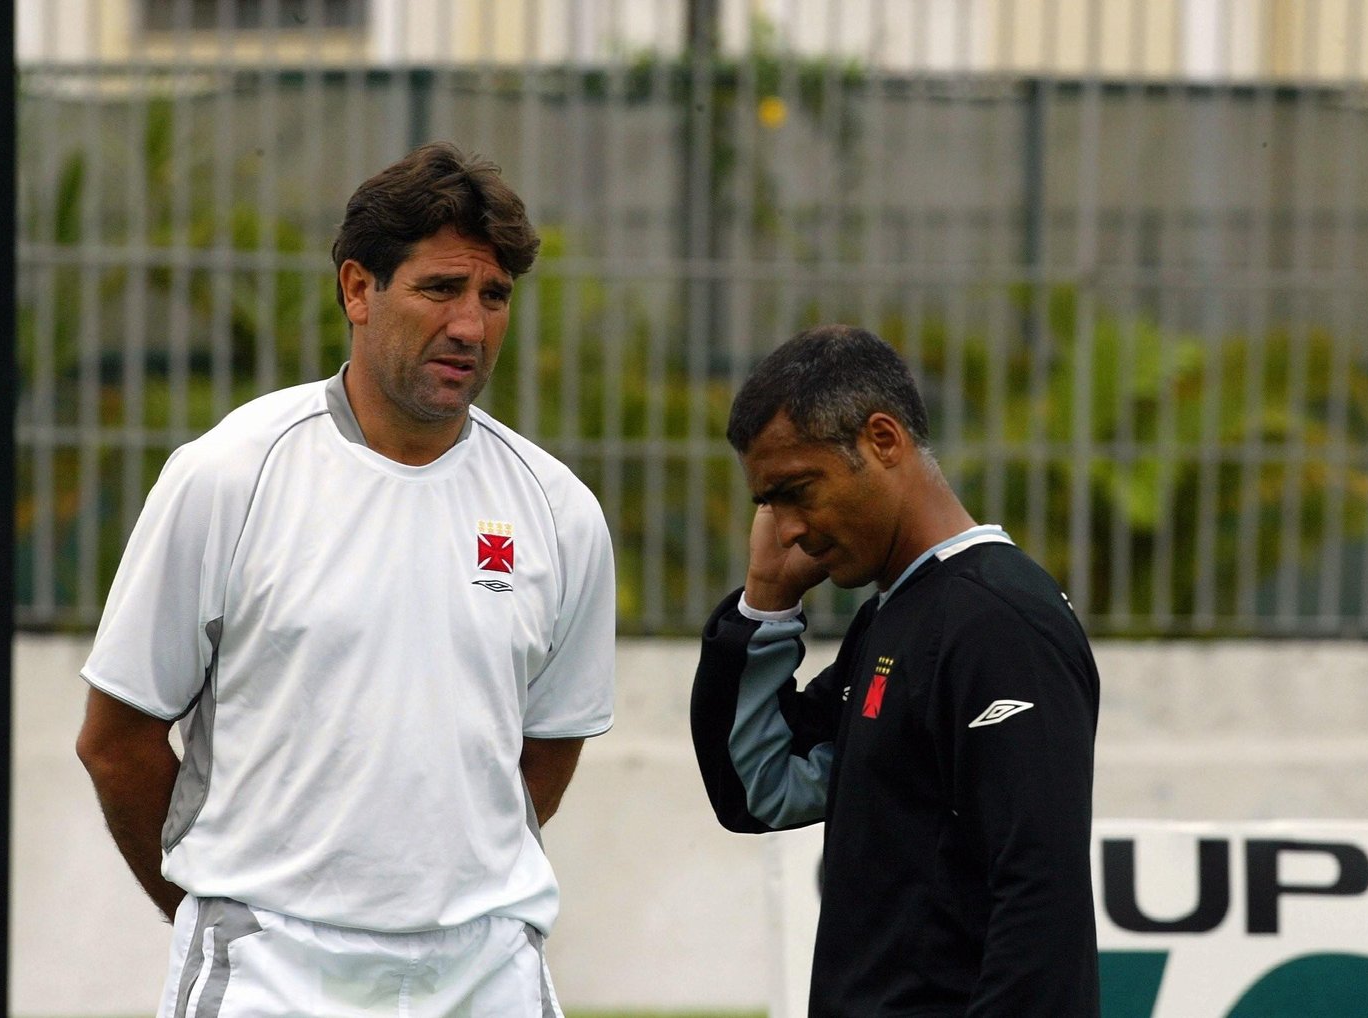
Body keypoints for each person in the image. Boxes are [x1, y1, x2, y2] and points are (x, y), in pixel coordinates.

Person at [76, 141, 615, 1018]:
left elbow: (548, 748)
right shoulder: (231, 475)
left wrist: (447, 894)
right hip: (271, 972)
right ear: (358, 290)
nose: (471, 326)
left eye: (494, 296)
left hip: (487, 973)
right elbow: (116, 740)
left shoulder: (559, 510)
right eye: (440, 289)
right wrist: (220, 911)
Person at [690, 324, 1100, 1016]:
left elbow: (1040, 895)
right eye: (768, 504)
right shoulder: (895, 613)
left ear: (884, 441)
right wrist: (765, 604)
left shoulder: (997, 620)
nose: (785, 529)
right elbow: (757, 790)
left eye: (796, 490)